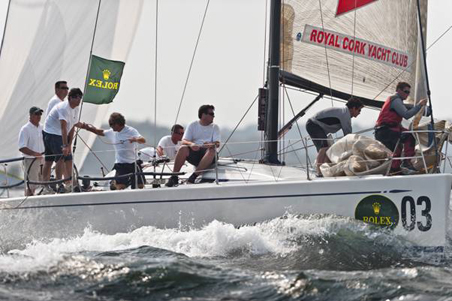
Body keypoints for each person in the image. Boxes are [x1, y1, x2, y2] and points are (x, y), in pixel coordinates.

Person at [78, 112, 146, 190]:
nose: (110, 126)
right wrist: (86, 127)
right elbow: (99, 132)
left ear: (117, 124)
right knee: (120, 187)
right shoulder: (112, 132)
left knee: (140, 185)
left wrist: (135, 139)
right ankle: (116, 186)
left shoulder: (131, 131)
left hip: (133, 163)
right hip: (121, 164)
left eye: (111, 124)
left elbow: (143, 140)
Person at [374, 82, 429, 174]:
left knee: (398, 148)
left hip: (386, 130)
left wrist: (424, 108)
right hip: (385, 132)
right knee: (408, 137)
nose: (407, 94)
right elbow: (406, 115)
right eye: (405, 91)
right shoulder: (396, 100)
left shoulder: (397, 101)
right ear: (398, 90)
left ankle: (395, 170)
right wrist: (419, 105)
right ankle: (406, 162)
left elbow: (396, 119)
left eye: (408, 92)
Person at [166, 105, 220, 187]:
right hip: (195, 152)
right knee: (183, 148)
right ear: (203, 115)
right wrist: (191, 144)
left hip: (209, 154)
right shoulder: (193, 125)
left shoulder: (215, 127)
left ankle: (193, 176)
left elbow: (217, 143)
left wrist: (210, 145)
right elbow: (184, 141)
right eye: (211, 114)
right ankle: (174, 176)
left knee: (212, 150)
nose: (213, 116)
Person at [306, 97, 363, 175]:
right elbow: (348, 135)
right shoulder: (345, 114)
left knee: (327, 150)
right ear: (353, 108)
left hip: (315, 126)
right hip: (314, 125)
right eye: (359, 110)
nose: (359, 113)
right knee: (324, 147)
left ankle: (324, 171)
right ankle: (319, 172)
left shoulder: (344, 112)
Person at [42, 88, 83, 192]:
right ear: (71, 98)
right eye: (77, 97)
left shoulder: (76, 108)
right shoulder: (64, 108)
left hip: (60, 134)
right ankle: (58, 183)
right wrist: (64, 146)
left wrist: (69, 145)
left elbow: (72, 126)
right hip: (51, 132)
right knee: (58, 158)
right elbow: (63, 127)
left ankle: (69, 183)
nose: (79, 100)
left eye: (80, 97)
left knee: (68, 158)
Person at [18, 106, 45, 196]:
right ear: (30, 115)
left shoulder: (42, 127)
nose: (39, 116)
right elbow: (22, 147)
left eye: (40, 114)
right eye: (36, 114)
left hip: (43, 160)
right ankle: (28, 205)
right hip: (30, 161)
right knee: (31, 186)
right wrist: (35, 154)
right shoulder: (25, 129)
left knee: (45, 183)